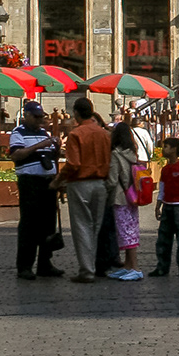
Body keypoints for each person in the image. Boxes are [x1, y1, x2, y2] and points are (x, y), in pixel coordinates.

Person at [9, 103, 65, 280]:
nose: (40, 120)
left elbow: (50, 155)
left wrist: (55, 147)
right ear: (26, 115)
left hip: (47, 182)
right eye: (36, 117)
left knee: (48, 223)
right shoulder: (18, 133)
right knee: (29, 224)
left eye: (41, 117)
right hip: (30, 182)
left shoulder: (43, 133)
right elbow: (16, 155)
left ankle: (45, 264)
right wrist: (41, 145)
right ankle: (24, 266)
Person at [60, 97, 111, 283]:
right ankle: (95, 265)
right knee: (95, 227)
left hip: (80, 183)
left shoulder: (76, 134)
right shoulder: (104, 134)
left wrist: (58, 180)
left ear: (76, 113)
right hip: (101, 184)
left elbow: (73, 164)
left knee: (82, 226)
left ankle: (87, 270)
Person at [106, 123, 145, 281]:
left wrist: (105, 189)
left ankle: (134, 267)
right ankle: (128, 266)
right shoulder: (132, 153)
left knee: (125, 232)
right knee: (131, 229)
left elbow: (112, 179)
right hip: (133, 196)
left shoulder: (115, 154)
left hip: (121, 196)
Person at [151, 137, 179, 277]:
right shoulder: (165, 169)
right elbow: (162, 189)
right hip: (168, 206)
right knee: (163, 238)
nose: (163, 149)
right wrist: (158, 205)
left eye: (166, 147)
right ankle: (163, 266)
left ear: (174, 149)